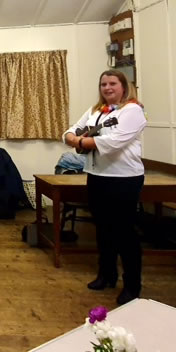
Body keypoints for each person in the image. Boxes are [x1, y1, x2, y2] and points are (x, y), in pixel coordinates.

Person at [63, 69, 146, 305]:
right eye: (103, 84)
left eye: (112, 83)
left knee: (125, 232)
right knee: (103, 229)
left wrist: (79, 141)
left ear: (123, 85)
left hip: (124, 179)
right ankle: (106, 274)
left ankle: (132, 285)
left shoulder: (133, 110)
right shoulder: (96, 110)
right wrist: (75, 138)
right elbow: (70, 131)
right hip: (97, 175)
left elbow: (114, 141)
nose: (107, 88)